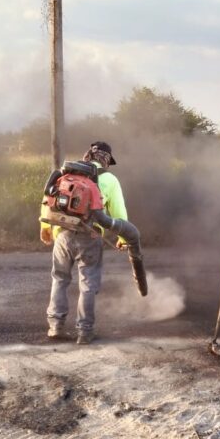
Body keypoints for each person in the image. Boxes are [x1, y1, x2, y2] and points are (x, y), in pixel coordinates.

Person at [40, 141, 128, 344]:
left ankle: (55, 326)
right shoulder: (109, 179)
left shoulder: (66, 172)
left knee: (60, 279)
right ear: (105, 160)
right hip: (90, 237)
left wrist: (45, 228)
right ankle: (85, 332)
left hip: (62, 234)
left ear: (88, 155)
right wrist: (123, 238)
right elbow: (119, 213)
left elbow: (47, 200)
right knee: (87, 285)